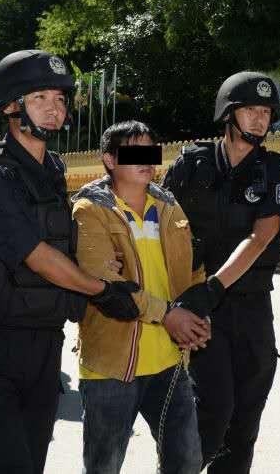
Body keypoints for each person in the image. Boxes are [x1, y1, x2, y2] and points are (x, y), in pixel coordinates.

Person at [0, 49, 142, 474]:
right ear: (10, 106)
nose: (54, 109)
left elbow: (69, 244)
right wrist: (102, 291)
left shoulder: (53, 171)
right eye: (40, 98)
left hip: (44, 344)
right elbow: (36, 256)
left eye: (59, 99)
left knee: (32, 462)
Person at [162, 71, 280, 473]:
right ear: (228, 113)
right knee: (212, 411)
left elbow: (261, 236)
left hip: (251, 310)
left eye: (266, 112)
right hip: (202, 310)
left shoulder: (277, 169)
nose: (259, 118)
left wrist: (214, 286)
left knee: (244, 428)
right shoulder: (190, 163)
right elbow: (158, 221)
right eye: (250, 109)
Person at [72, 121, 211, 474]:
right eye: (134, 151)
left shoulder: (169, 207)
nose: (146, 160)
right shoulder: (90, 210)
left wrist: (196, 316)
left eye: (151, 151)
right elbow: (104, 281)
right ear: (109, 160)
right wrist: (169, 315)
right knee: (104, 467)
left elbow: (193, 267)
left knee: (186, 461)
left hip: (169, 360)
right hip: (111, 365)